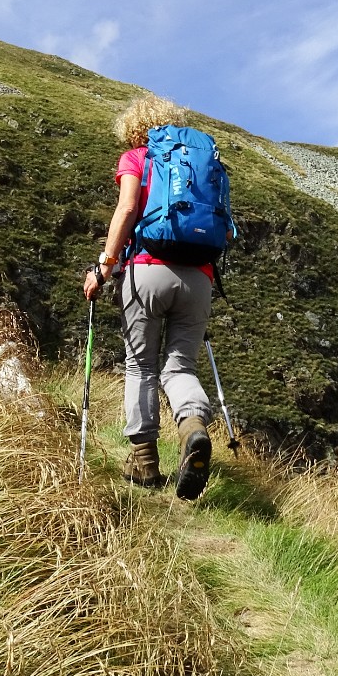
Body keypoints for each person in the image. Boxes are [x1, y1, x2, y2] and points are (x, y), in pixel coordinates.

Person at [82, 94, 217, 500]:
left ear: (133, 127)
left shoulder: (137, 158)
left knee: (141, 366)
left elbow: (126, 211)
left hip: (147, 271)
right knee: (180, 368)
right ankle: (193, 425)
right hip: (199, 278)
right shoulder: (200, 163)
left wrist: (103, 267)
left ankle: (144, 462)